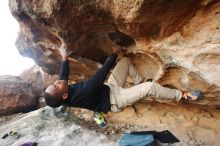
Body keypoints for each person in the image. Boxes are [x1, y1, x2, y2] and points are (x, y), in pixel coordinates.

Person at [44, 44, 202, 113]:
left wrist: (64, 58)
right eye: (56, 86)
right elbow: (101, 73)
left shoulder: (63, 93)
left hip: (109, 88)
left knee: (125, 61)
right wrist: (114, 53)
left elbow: (63, 77)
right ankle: (182, 95)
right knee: (150, 88)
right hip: (115, 101)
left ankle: (139, 83)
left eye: (54, 83)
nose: (57, 82)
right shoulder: (83, 93)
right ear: (64, 96)